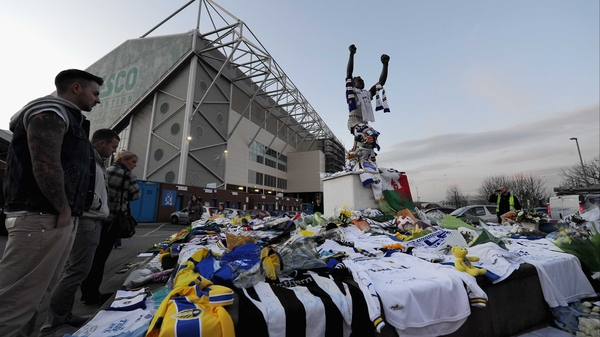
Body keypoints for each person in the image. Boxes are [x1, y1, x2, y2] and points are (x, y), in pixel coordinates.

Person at [0, 69, 102, 337]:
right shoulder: (49, 112)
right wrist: (64, 208)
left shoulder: (66, 116)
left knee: (32, 296)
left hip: (50, 217)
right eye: (95, 93)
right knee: (17, 300)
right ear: (76, 88)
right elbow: (45, 163)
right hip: (42, 216)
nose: (98, 100)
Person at [39, 129, 120, 336]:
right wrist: (95, 202)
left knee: (76, 270)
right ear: (101, 143)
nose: (114, 151)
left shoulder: (99, 162)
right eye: (113, 147)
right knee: (76, 271)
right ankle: (54, 323)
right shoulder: (88, 160)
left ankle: (64, 316)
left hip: (92, 219)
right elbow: (77, 184)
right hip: (88, 219)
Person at [80, 151, 140, 306]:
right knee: (100, 259)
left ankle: (85, 291)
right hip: (113, 220)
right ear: (125, 160)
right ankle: (93, 294)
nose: (134, 166)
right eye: (133, 162)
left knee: (92, 257)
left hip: (99, 218)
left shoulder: (107, 170)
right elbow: (135, 195)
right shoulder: (127, 175)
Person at [346, 44, 389, 164]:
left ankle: (359, 158)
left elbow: (381, 83)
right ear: (353, 83)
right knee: (365, 134)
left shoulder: (366, 94)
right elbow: (349, 73)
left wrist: (385, 65)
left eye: (362, 79)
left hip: (364, 122)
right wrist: (351, 54)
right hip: (354, 121)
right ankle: (357, 150)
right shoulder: (352, 91)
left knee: (372, 138)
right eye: (358, 79)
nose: (362, 80)